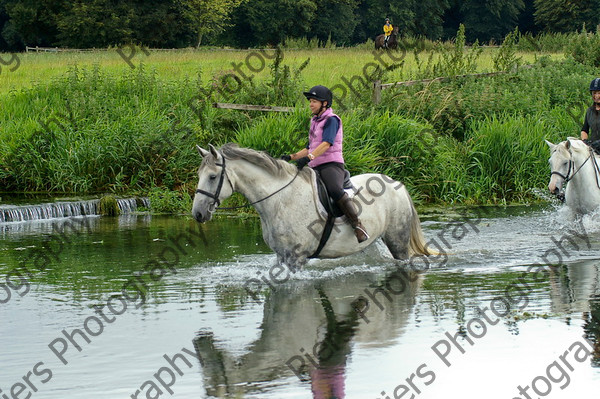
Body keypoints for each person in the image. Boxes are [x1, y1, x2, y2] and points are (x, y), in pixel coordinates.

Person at [283, 85, 369, 243]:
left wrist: (308, 158)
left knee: (335, 190)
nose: (310, 104)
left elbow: (326, 144)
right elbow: (310, 147)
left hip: (331, 164)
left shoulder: (331, 120)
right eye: (310, 101)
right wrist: (291, 157)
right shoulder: (314, 121)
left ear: (324, 103)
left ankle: (357, 225)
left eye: (314, 101)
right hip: (315, 165)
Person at [581, 78, 600, 153]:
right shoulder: (589, 111)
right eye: (594, 93)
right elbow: (584, 130)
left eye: (599, 93)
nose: (597, 96)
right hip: (593, 149)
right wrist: (585, 141)